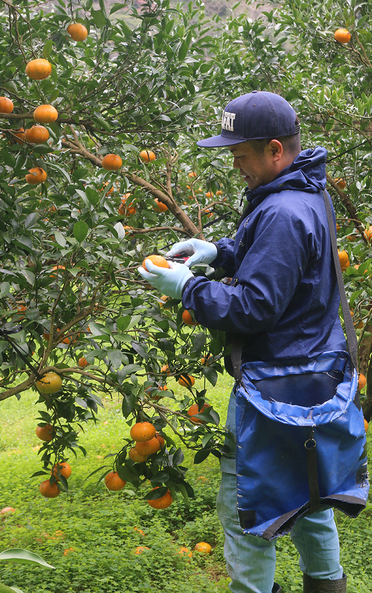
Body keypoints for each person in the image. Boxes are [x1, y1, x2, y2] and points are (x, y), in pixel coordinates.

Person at [138, 90, 368, 593]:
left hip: (272, 384)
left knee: (249, 504)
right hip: (312, 373)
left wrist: (188, 288)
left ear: (275, 151)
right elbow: (276, 262)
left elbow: (252, 307)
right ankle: (327, 584)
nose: (236, 164)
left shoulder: (283, 211)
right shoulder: (305, 193)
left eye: (241, 155)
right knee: (308, 492)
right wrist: (217, 253)